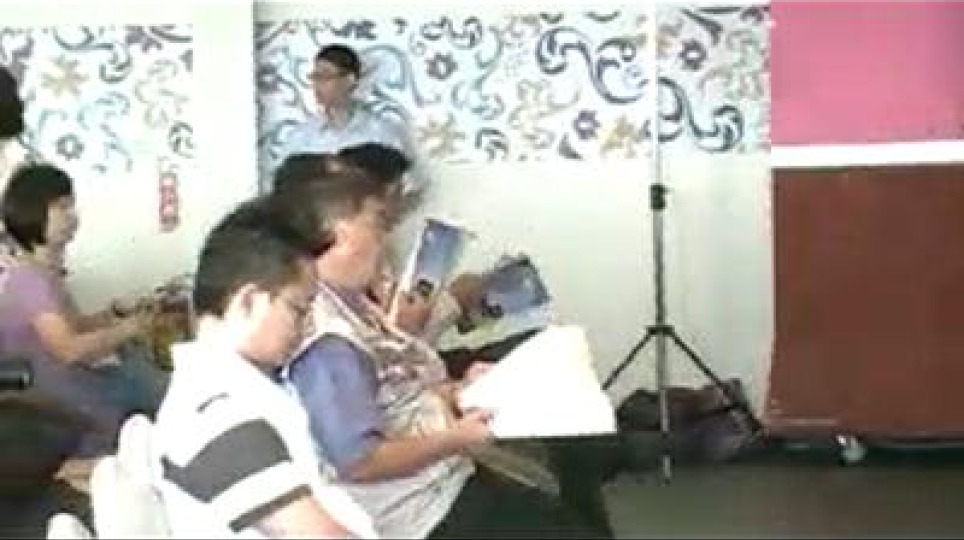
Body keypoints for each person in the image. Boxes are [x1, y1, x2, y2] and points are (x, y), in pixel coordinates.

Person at [273, 172, 600, 538]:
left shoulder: (352, 305)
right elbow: (359, 462)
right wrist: (455, 439)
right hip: (422, 512)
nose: (385, 238)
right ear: (339, 231)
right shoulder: (328, 343)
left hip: (443, 477)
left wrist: (458, 391)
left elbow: (395, 394)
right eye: (377, 223)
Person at [150, 198, 375, 538]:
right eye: (299, 309)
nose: (309, 326)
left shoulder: (234, 389)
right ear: (248, 301)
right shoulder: (215, 416)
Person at [0, 163, 167, 455]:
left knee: (141, 379)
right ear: (33, 212)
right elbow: (69, 350)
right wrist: (128, 329)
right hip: (49, 396)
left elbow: (75, 326)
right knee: (145, 390)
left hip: (69, 380)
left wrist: (115, 313)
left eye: (72, 206)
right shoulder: (28, 280)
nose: (73, 216)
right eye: (62, 207)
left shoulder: (44, 272)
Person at [282, 44, 424, 197]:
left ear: (350, 80)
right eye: (315, 77)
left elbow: (409, 186)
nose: (318, 85)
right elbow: (282, 187)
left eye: (326, 76)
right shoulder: (301, 135)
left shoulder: (382, 133)